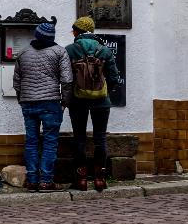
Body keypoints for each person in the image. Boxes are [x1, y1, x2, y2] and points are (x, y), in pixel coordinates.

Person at [13, 20, 72, 191]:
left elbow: (17, 81)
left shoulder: (23, 53)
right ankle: (46, 181)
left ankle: (32, 181)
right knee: (50, 142)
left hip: (28, 102)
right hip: (51, 102)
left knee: (31, 142)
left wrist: (21, 99)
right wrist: (64, 102)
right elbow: (67, 81)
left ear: (36, 35)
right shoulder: (60, 52)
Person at [65, 16, 121, 191]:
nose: (72, 32)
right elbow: (113, 78)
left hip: (77, 100)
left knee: (79, 138)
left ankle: (81, 179)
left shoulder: (70, 50)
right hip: (101, 101)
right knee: (100, 139)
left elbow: (66, 79)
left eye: (73, 29)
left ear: (78, 31)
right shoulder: (104, 50)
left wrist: (69, 96)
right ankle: (99, 179)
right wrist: (102, 91)